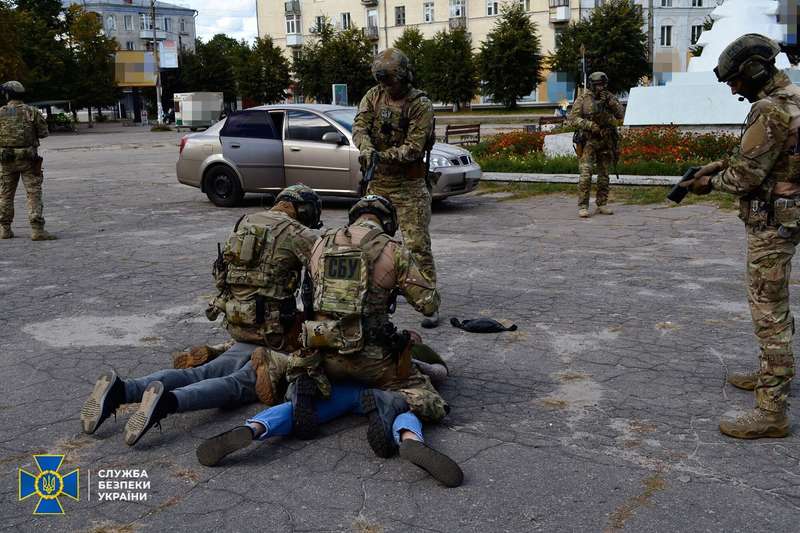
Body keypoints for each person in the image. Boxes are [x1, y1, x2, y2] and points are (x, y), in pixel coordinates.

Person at [79, 185, 322, 445]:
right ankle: (168, 402)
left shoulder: (245, 222)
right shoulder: (300, 233)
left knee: (201, 373)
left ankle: (124, 389)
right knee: (239, 383)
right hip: (274, 333)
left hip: (239, 325)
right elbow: (326, 278)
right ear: (305, 210)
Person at [682, 34, 800, 439]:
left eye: (734, 79)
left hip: (771, 223)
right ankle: (772, 374)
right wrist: (715, 165)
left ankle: (772, 411)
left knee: (769, 314)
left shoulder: (768, 110)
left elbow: (745, 175)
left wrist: (707, 184)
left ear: (753, 70)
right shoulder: (793, 97)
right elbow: (766, 157)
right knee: (776, 309)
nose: (733, 87)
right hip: (789, 215)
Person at [287, 195, 448, 451]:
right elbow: (428, 304)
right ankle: (388, 403)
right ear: (388, 221)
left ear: (354, 217)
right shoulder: (393, 249)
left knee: (302, 373)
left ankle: (305, 389)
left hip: (323, 353)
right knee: (428, 397)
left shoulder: (319, 243)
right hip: (373, 361)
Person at [195, 347, 463, 487]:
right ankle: (409, 439)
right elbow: (440, 373)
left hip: (340, 387)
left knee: (301, 409)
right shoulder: (415, 351)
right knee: (406, 407)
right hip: (384, 392)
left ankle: (254, 427)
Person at [352, 49, 439, 328]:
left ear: (403, 77)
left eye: (390, 82)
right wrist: (365, 147)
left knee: (416, 245)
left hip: (409, 185)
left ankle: (428, 301)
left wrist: (382, 155)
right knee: (365, 241)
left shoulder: (419, 104)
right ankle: (367, 294)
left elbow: (414, 148)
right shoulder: (373, 96)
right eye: (382, 82)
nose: (386, 87)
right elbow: (360, 127)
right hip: (377, 183)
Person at [0, 81, 55, 240]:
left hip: (6, 160)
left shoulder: (1, 112)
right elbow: (44, 132)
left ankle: (5, 229)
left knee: (5, 194)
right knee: (33, 193)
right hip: (28, 160)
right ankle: (37, 230)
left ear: (8, 94)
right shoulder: (32, 112)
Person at [567, 72, 625, 219]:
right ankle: (583, 206)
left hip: (606, 141)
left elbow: (620, 114)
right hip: (589, 141)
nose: (601, 87)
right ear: (592, 85)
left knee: (604, 175)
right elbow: (573, 118)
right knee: (586, 174)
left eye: (603, 84)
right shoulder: (583, 99)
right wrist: (589, 124)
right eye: (598, 85)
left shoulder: (609, 97)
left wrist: (610, 103)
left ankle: (602, 203)